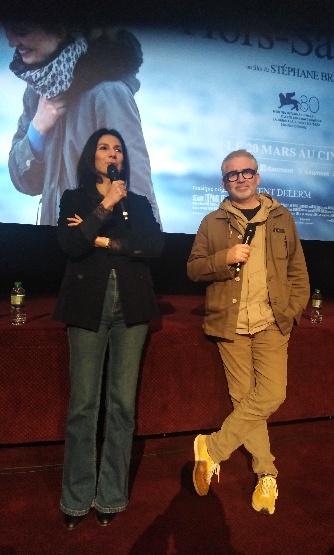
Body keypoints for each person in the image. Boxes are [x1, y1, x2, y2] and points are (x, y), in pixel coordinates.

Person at [187, 149, 310, 515]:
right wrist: (222, 259)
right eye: (231, 175)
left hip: (272, 321)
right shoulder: (212, 223)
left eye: (246, 172)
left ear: (257, 177)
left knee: (272, 394)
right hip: (231, 325)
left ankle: (211, 448)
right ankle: (266, 472)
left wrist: (293, 310)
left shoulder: (282, 218)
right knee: (245, 400)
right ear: (223, 182)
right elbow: (193, 269)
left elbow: (297, 271)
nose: (240, 179)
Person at [52, 128, 164, 530]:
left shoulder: (138, 202)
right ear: (92, 157)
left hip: (131, 306)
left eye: (118, 148)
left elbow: (152, 246)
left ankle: (112, 495)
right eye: (104, 148)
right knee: (83, 405)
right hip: (87, 304)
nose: (112, 153)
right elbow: (70, 243)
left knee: (122, 405)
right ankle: (77, 497)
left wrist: (103, 241)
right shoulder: (74, 198)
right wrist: (104, 207)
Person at [5, 9, 160, 225]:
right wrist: (37, 130)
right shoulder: (37, 93)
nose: (12, 42)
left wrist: (145, 253)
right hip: (55, 247)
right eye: (7, 31)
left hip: (96, 252)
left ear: (60, 30)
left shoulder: (109, 94)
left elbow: (137, 190)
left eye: (22, 31)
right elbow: (24, 182)